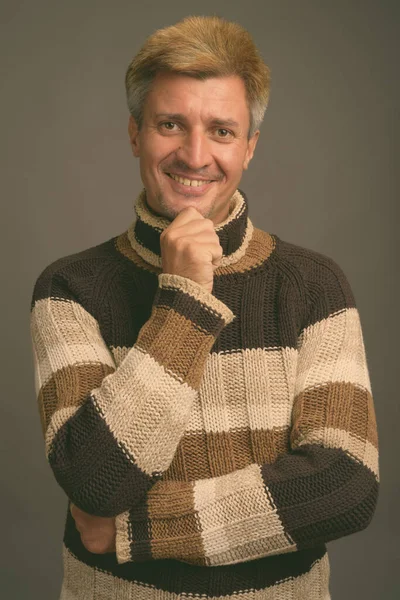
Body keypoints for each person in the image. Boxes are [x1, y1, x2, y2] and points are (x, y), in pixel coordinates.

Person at [30, 14, 379, 600]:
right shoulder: (69, 287)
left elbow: (344, 485)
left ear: (250, 146)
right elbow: (95, 479)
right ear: (136, 133)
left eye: (221, 131)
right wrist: (185, 301)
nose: (195, 155)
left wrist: (138, 527)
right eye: (171, 124)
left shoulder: (313, 285)